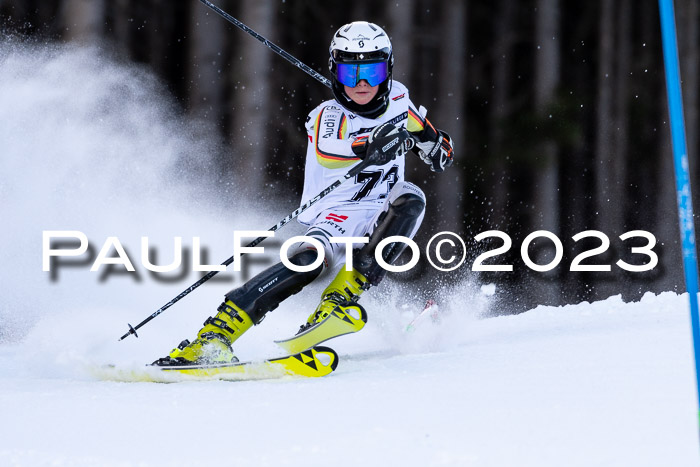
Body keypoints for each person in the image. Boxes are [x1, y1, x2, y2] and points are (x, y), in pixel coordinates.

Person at [154, 21, 454, 366]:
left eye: (370, 71)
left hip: (379, 212)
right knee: (307, 263)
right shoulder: (327, 116)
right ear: (333, 72)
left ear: (387, 69)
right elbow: (331, 151)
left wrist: (434, 144)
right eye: (348, 71)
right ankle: (213, 337)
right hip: (335, 215)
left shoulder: (399, 97)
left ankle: (339, 299)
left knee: (412, 198)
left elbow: (420, 127)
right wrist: (370, 145)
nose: (360, 84)